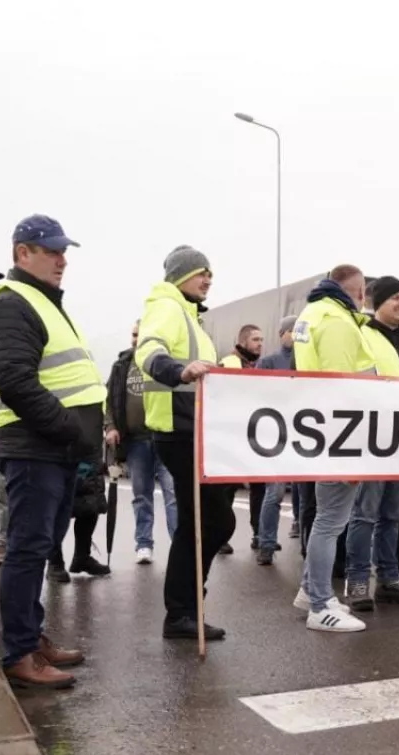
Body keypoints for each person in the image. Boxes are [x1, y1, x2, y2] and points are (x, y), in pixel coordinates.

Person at [0, 216, 101, 688]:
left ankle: (31, 635)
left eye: (62, 250)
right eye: (50, 250)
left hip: (54, 449)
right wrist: (68, 429)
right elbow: (15, 381)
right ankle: (19, 653)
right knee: (27, 550)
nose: (61, 258)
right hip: (36, 447)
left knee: (39, 545)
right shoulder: (13, 303)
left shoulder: (43, 302)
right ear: (21, 253)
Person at [136, 245, 237, 641]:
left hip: (195, 430)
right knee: (212, 521)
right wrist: (178, 371)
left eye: (210, 272)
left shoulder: (190, 315)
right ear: (179, 277)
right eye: (200, 272)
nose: (208, 279)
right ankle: (181, 610)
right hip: (179, 431)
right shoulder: (166, 306)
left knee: (206, 522)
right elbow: (150, 350)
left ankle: (185, 608)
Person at [339, 275, 399, 611]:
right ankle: (358, 581)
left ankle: (390, 579)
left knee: (393, 515)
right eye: (395, 297)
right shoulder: (362, 334)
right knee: (364, 514)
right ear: (376, 301)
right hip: (373, 439)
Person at [293, 264, 375, 631]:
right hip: (340, 435)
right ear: (358, 292)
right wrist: (352, 451)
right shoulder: (339, 322)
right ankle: (320, 605)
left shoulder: (312, 314)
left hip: (321, 430)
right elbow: (342, 389)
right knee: (330, 521)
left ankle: (309, 590)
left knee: (326, 518)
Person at [105, 322, 177, 565]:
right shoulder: (121, 366)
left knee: (172, 494)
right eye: (134, 334)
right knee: (141, 494)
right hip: (135, 441)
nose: (136, 339)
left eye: (141, 334)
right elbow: (110, 400)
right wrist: (111, 427)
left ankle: (179, 545)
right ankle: (144, 544)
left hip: (165, 437)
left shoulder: (165, 362)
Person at [256, 315, 301, 560]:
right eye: (293, 330)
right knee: (274, 494)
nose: (297, 335)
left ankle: (305, 539)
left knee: (305, 496)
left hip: (304, 438)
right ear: (282, 333)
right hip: (276, 439)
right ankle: (266, 544)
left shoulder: (308, 359)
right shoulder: (268, 362)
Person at [219, 323, 266, 555]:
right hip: (233, 436)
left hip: (255, 436)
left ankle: (258, 533)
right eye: (256, 340)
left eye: (262, 340)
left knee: (259, 488)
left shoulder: (259, 365)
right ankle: (221, 537)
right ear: (243, 341)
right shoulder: (229, 363)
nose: (260, 344)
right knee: (228, 490)